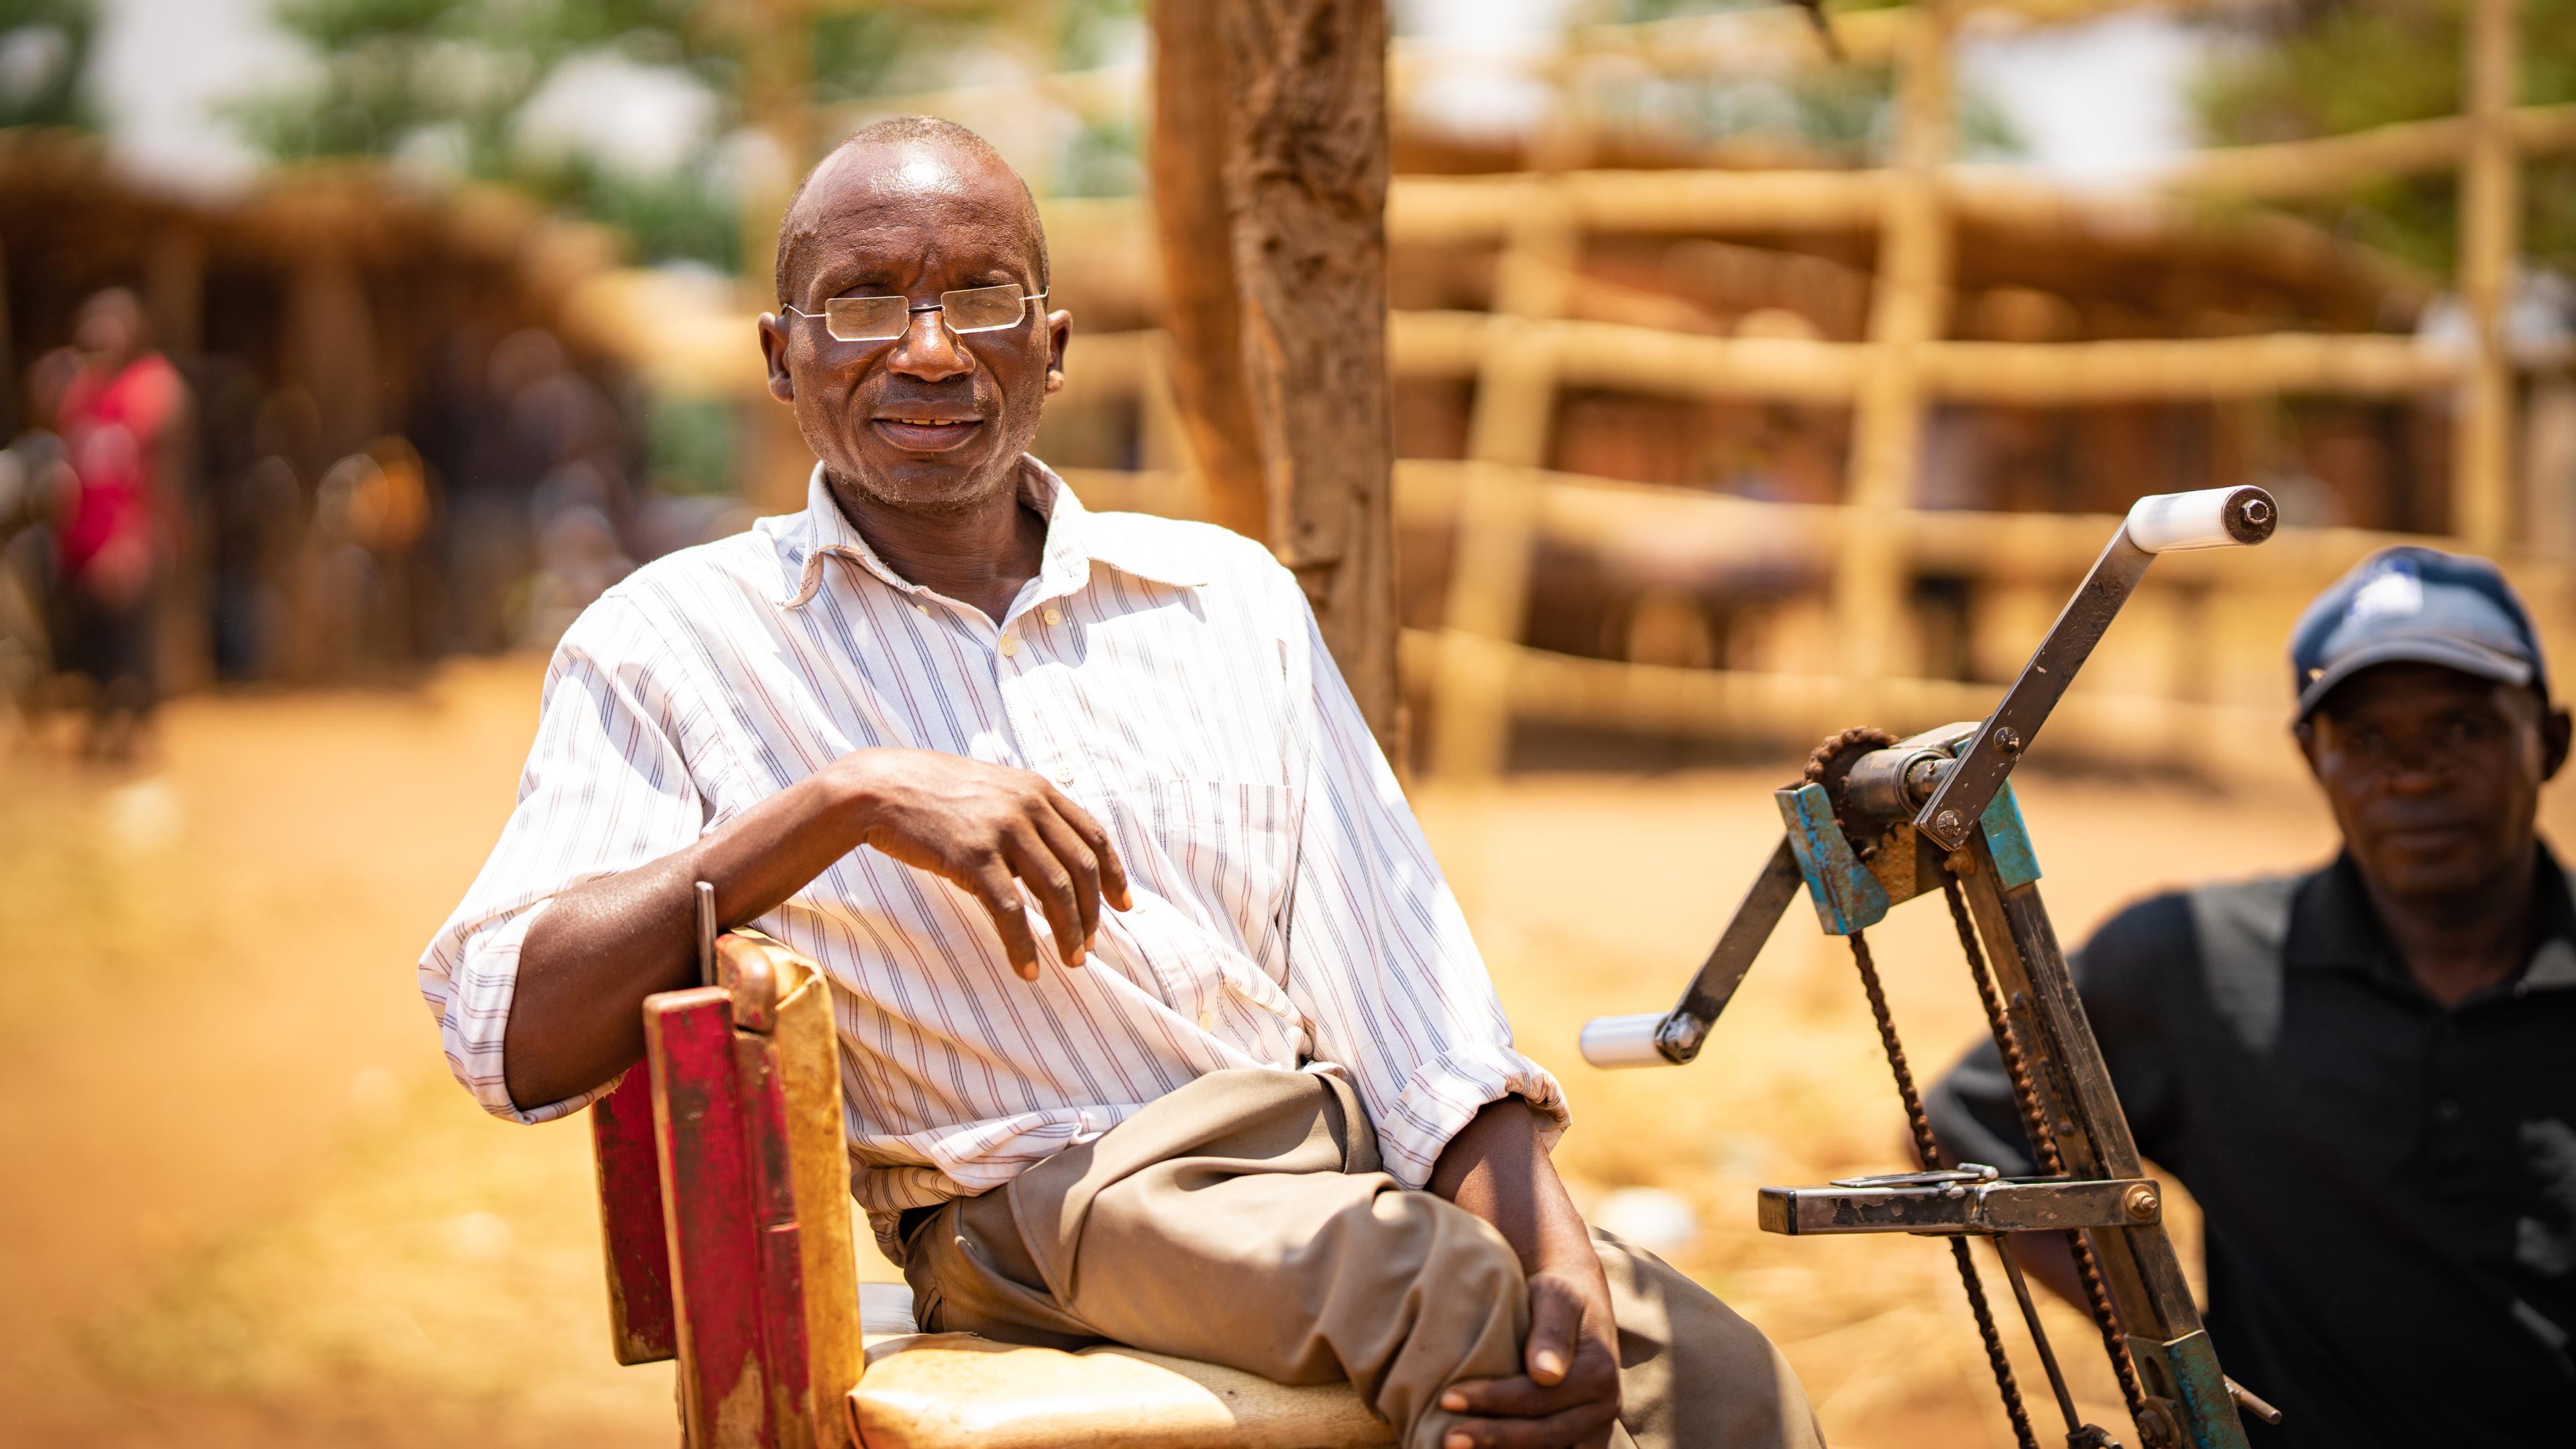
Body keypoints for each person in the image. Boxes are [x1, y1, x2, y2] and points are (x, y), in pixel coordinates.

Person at [421, 118, 1819, 1449]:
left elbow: (1416, 1007)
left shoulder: (1224, 598)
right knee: (1448, 1302)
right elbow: (512, 1032)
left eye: (979, 296)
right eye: (861, 304)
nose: (925, 350)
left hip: (1322, 1176)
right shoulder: (677, 643)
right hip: (1037, 1211)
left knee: (1725, 1383)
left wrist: (1556, 1243)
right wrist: (843, 802)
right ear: (782, 360)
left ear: (1053, 346)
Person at [1926, 545, 2576, 1447]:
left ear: (2549, 740)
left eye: (2463, 729)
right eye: (2367, 739)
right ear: (2312, 756)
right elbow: (1970, 1132)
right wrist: (2177, 1351)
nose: (2416, 773)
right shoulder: (2192, 966)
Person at [53, 289, 187, 760]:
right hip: (85, 545)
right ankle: (102, 730)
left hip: (131, 542)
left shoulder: (151, 389)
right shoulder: (83, 394)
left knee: (133, 647)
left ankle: (135, 737)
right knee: (93, 648)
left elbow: (162, 472)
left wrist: (136, 540)